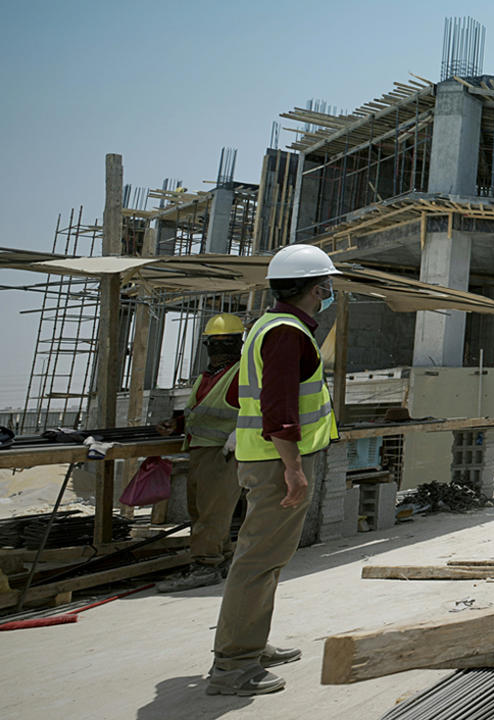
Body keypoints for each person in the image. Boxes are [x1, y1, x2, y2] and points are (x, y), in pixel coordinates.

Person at [205, 244, 341, 696]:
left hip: (261, 459)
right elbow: (280, 411)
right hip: (275, 465)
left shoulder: (267, 325)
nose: (327, 293)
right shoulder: (288, 333)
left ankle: (249, 644)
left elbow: (252, 398)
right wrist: (294, 470)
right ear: (312, 287)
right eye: (325, 285)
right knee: (258, 563)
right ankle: (233, 666)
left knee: (265, 560)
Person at [153, 314, 247, 593]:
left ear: (237, 344)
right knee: (203, 510)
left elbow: (256, 409)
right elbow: (199, 410)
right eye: (214, 343)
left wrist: (237, 436)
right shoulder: (207, 376)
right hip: (199, 448)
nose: (219, 348)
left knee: (211, 513)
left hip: (221, 453)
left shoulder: (242, 373)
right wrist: (177, 424)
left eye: (225, 343)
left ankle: (206, 564)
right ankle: (222, 558)